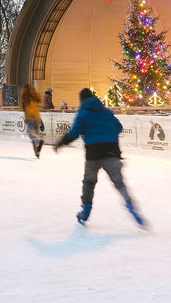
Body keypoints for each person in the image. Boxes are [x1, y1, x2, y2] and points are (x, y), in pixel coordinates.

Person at [54, 87, 146, 228]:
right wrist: (107, 133)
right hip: (112, 151)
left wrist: (61, 143)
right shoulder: (107, 112)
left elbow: (74, 132)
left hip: (93, 153)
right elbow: (119, 127)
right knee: (119, 183)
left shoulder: (83, 113)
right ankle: (131, 207)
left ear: (82, 100)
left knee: (89, 182)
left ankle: (86, 210)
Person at [21, 84, 44, 158]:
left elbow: (24, 107)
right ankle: (37, 152)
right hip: (37, 117)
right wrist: (41, 121)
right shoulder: (35, 95)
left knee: (30, 133)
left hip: (30, 116)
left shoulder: (25, 95)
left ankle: (40, 140)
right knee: (35, 135)